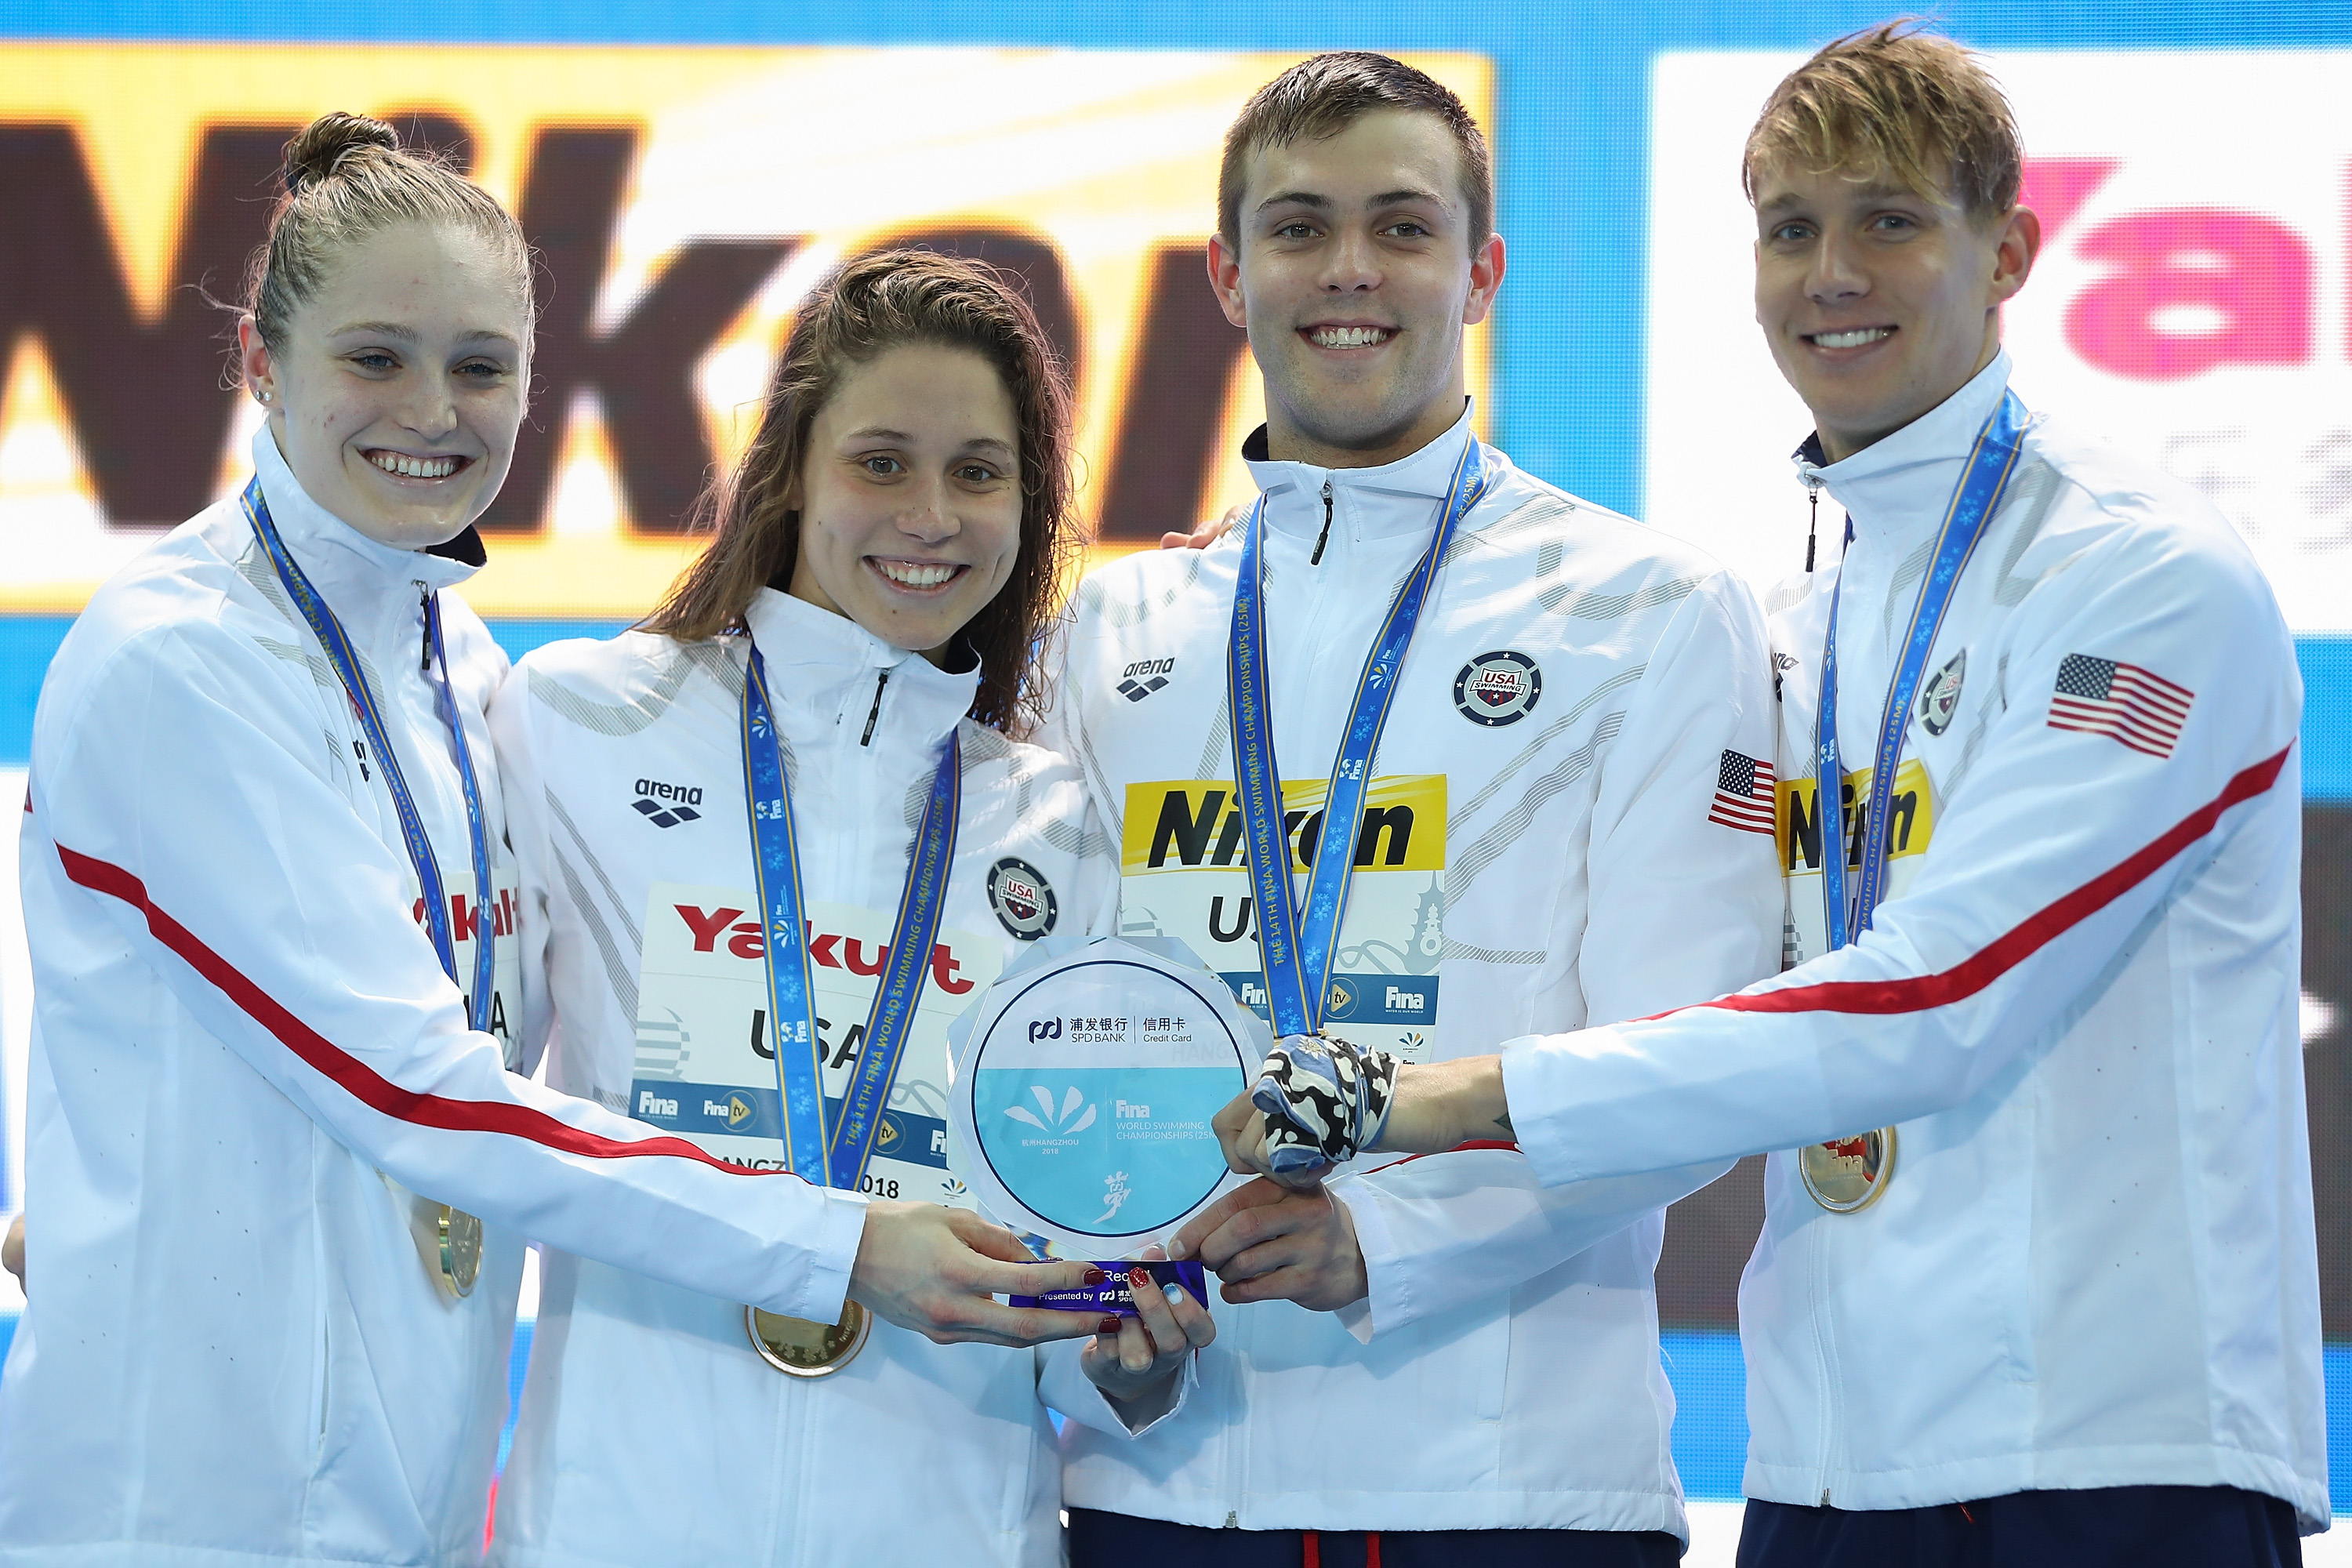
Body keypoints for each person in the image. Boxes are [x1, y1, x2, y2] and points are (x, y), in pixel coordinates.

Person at [1229, 25, 2327, 1565]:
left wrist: (1429, 1095)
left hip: (2112, 1453)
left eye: (1890, 221)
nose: (1833, 275)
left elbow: (1944, 993)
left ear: (2009, 252)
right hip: (1827, 1462)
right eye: (1792, 229)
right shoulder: (1795, 620)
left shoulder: (2141, 579)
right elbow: (1731, 992)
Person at [0, 117, 1098, 1568]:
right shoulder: (181, 659)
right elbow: (420, 1092)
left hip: (402, 1509)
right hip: (186, 1511)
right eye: (375, 358)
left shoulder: (463, 673)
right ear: (261, 362)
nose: (432, 411)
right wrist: (841, 1242)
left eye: (480, 367)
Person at [1040, 52, 1784, 1566]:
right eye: (1299, 227)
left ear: (1483, 271)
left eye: (1402, 225)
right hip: (1163, 1482)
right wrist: (1093, 1331)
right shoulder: (1109, 632)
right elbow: (1040, 1040)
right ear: (1227, 276)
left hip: (1510, 1488)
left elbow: (1683, 1065)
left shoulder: (1646, 610)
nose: (1350, 270)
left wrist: (1386, 1239)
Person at [485, 248, 1214, 1566]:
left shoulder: (1063, 827)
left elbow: (1069, 1250)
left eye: (978, 473)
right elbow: (473, 1120)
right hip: (622, 1521)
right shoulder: (579, 723)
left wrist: (1132, 1361)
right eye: (882, 462)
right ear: (791, 471)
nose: (930, 515)